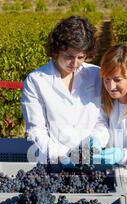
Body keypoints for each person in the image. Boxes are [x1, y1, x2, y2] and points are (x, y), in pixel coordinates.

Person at [21, 16, 108, 164]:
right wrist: (62, 157)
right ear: (56, 51)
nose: (75, 63)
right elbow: (36, 131)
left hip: (91, 159)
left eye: (81, 57)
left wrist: (93, 144)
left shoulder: (96, 75)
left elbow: (102, 121)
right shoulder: (36, 81)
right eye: (69, 56)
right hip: (52, 161)